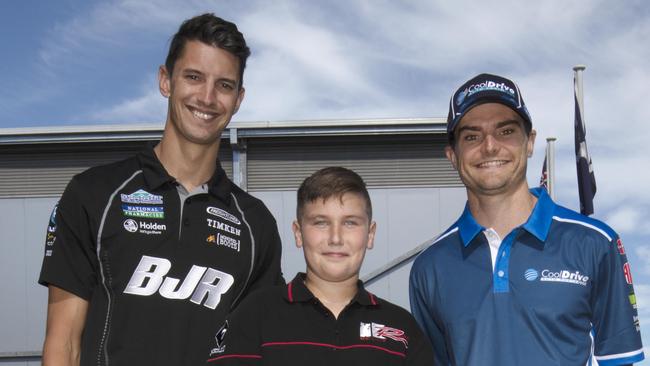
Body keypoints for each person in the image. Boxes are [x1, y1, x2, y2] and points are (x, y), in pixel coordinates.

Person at [38, 13, 284, 366]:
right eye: (194, 77)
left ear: (239, 98)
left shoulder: (255, 224)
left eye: (224, 85)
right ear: (165, 80)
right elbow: (64, 345)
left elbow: (260, 349)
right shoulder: (93, 195)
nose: (208, 97)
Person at [409, 73, 644, 365]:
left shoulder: (595, 243)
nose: (490, 146)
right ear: (452, 155)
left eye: (506, 131)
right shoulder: (430, 266)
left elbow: (619, 361)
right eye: (472, 136)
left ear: (530, 142)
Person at [205, 167, 434, 365]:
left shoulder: (402, 328)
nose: (336, 238)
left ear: (370, 234)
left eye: (350, 223)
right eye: (321, 223)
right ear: (298, 233)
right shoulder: (255, 314)